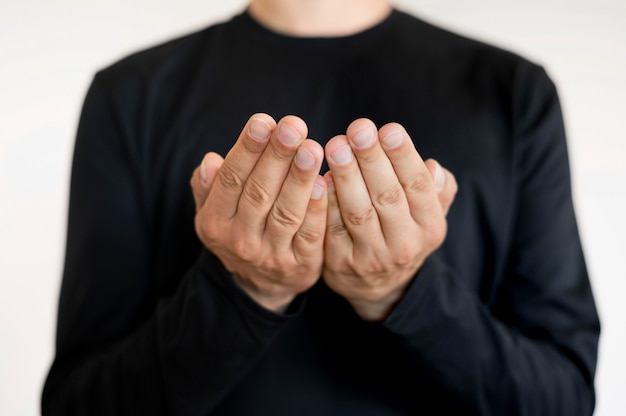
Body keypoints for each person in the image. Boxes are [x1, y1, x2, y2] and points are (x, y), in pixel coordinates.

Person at [42, 0, 600, 414]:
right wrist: (246, 291)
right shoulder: (131, 94)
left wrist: (403, 295)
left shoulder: (512, 92)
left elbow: (565, 398)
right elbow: (76, 405)